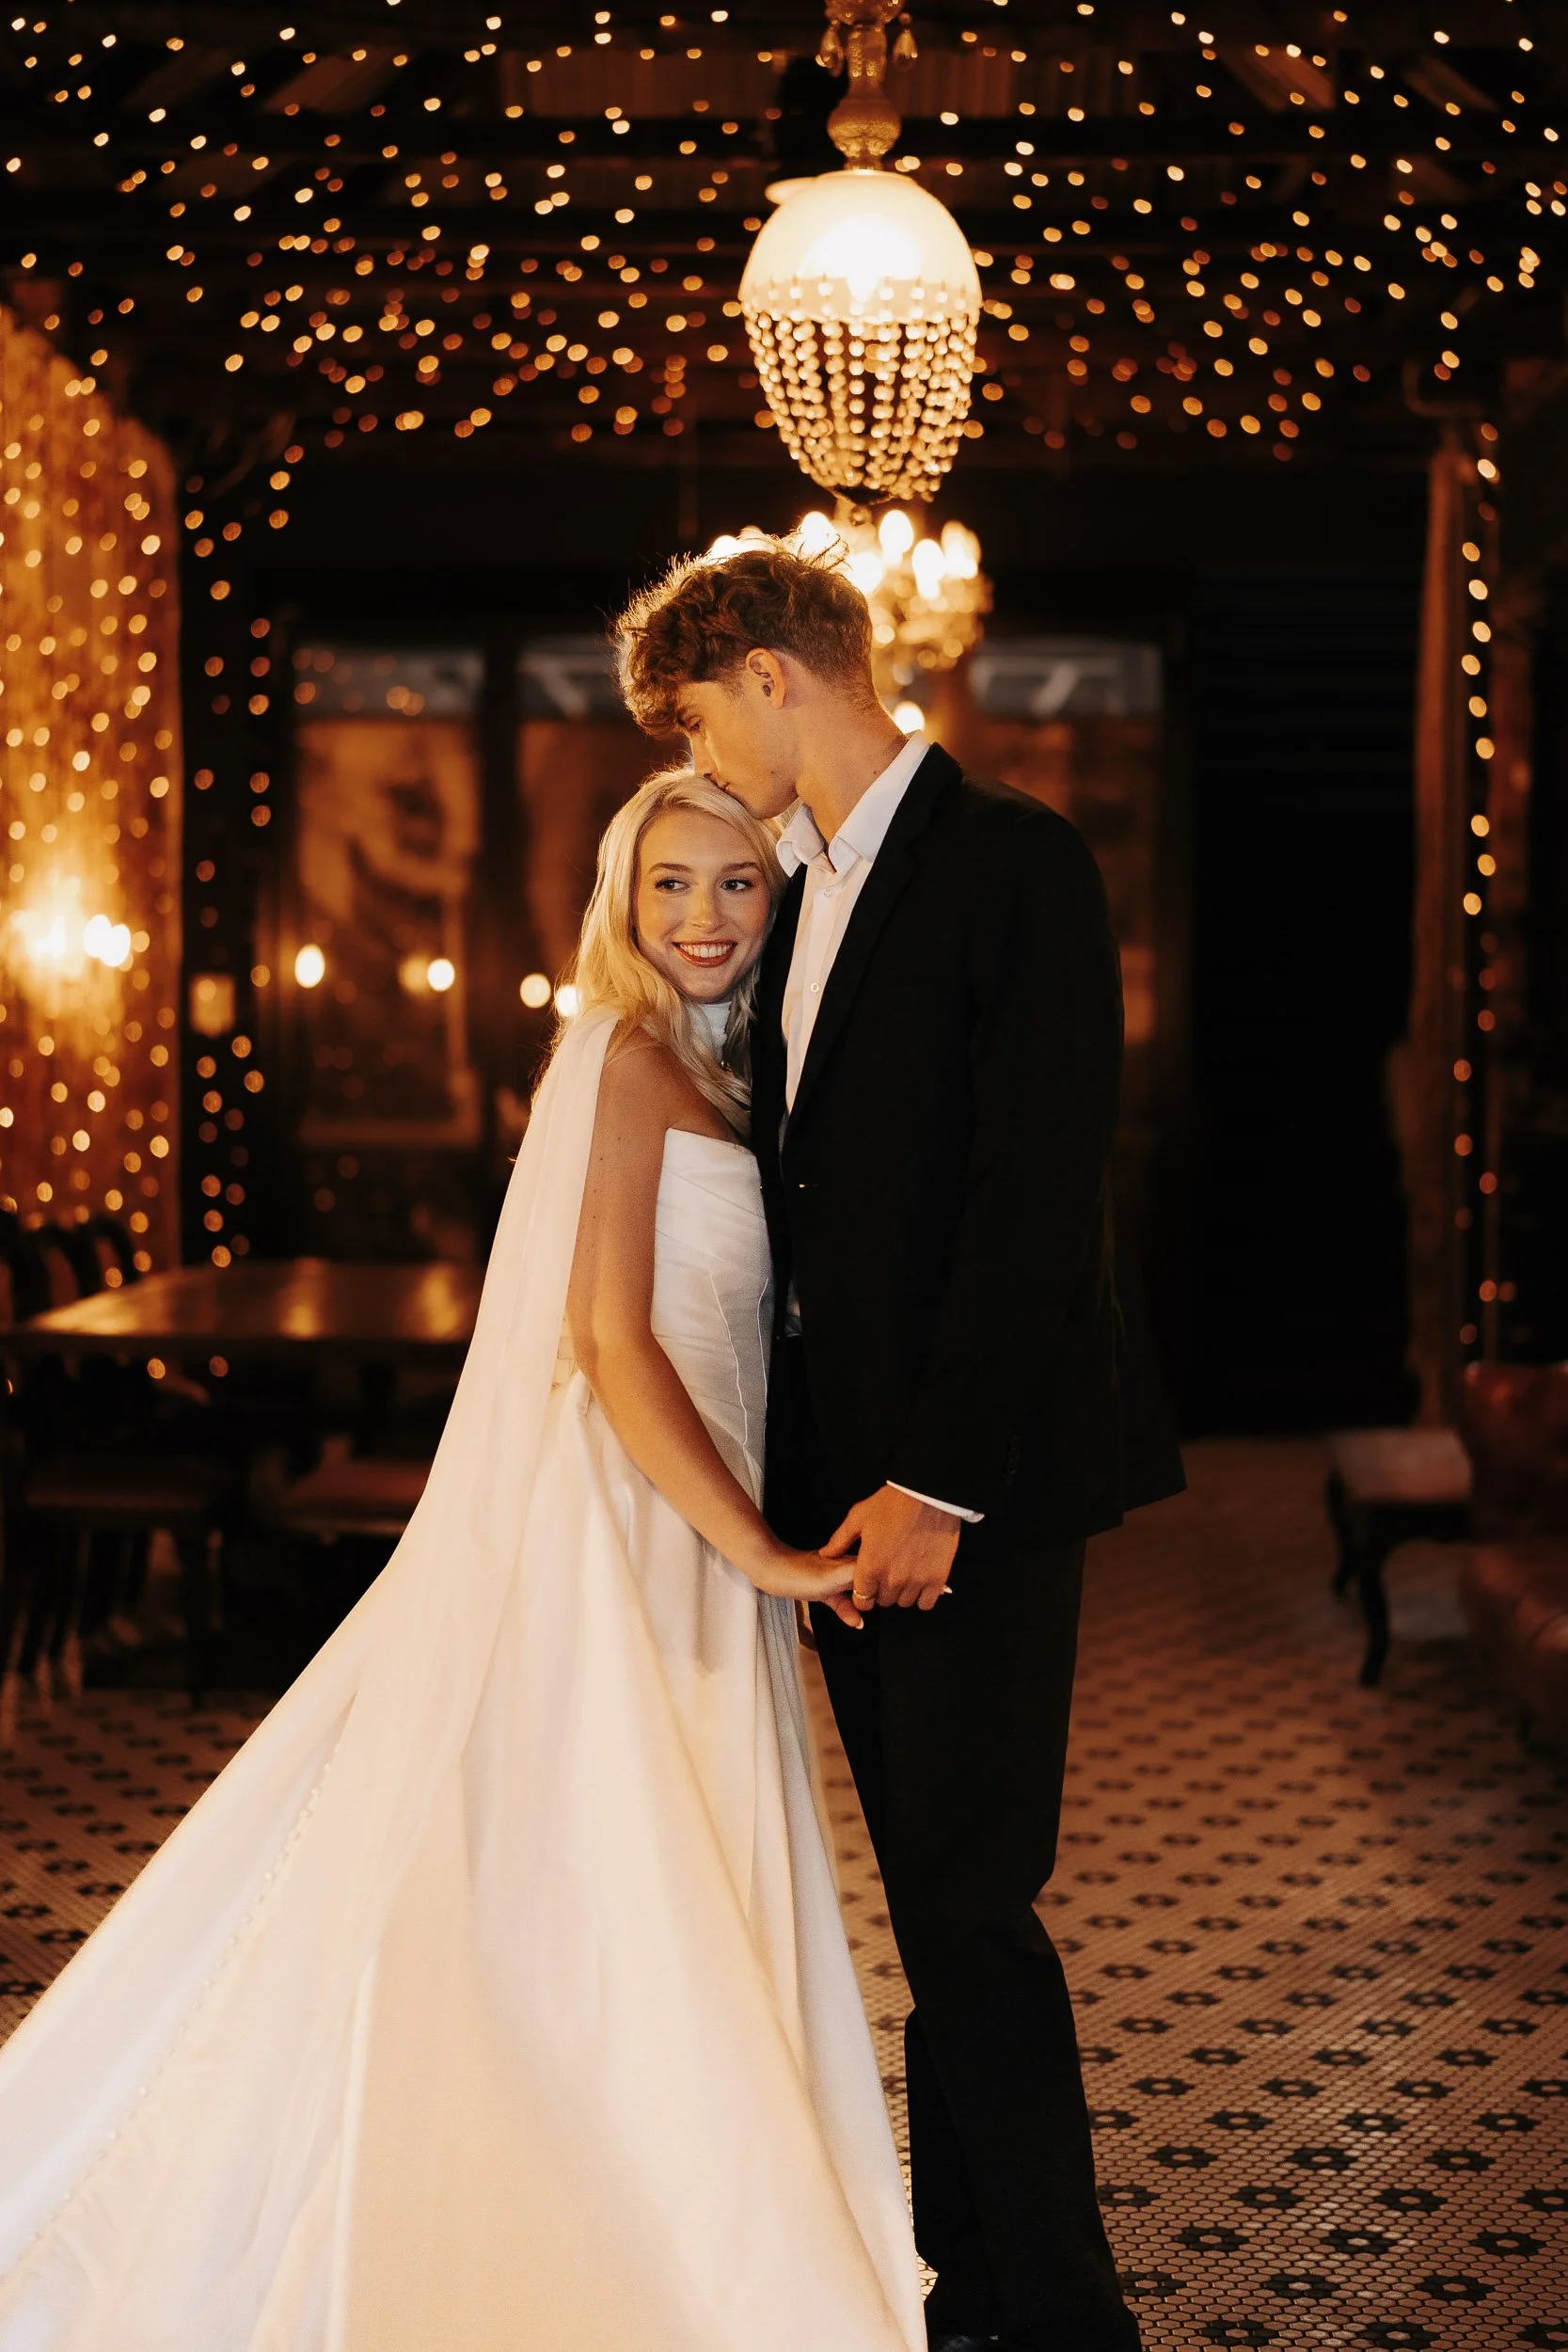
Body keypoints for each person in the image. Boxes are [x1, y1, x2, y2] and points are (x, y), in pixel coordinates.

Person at [0, 769, 926, 2352]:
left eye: (735, 887)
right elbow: (609, 1343)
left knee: (645, 1870)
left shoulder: (735, 1073)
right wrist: (759, 1553)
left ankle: (660, 2222)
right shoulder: (622, 1059)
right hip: (627, 1525)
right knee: (596, 1874)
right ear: (621, 911)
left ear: (776, 905)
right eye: (670, 888)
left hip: (692, 1523)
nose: (703, 917)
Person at [616, 544, 1185, 2352]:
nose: (705, 759)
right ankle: (973, 2298)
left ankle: (1061, 2316)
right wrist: (808, 1508)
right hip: (849, 1510)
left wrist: (936, 1483)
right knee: (937, 1915)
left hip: (973, 1488)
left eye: (699, 715)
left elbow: (1033, 1202)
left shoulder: (1014, 860)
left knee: (971, 1905)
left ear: (771, 673)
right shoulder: (792, 890)